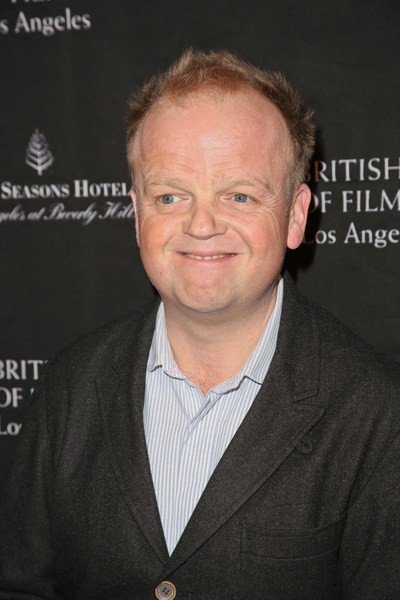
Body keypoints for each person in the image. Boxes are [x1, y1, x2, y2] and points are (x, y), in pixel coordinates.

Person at [0, 49, 399, 600]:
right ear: (138, 214)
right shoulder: (70, 387)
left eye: (239, 195)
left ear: (295, 215)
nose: (202, 224)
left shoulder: (377, 413)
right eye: (170, 196)